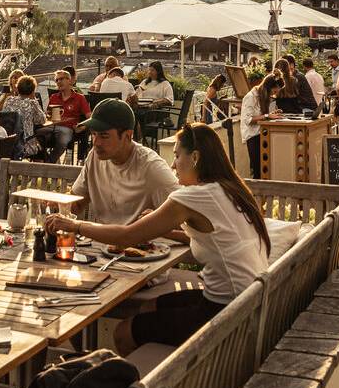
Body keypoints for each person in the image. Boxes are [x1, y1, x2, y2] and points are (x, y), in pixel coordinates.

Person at [44, 123, 268, 355]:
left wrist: (75, 226)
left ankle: (140, 376)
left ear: (195, 158)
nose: (173, 164)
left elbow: (127, 236)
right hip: (246, 298)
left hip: (229, 311)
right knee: (147, 307)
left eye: (177, 156)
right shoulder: (226, 188)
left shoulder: (194, 196)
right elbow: (207, 238)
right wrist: (163, 230)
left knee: (123, 332)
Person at [65, 98, 178, 225]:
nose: (96, 143)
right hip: (100, 236)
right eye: (94, 134)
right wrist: (55, 202)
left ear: (127, 136)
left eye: (104, 136)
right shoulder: (94, 157)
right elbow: (76, 204)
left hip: (136, 238)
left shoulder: (151, 167)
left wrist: (155, 222)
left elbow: (185, 219)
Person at [239, 74, 283, 177]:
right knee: (258, 170)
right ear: (269, 87)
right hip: (253, 136)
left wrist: (272, 113)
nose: (274, 94)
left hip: (262, 134)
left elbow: (261, 115)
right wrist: (267, 116)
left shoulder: (262, 96)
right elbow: (248, 120)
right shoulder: (250, 97)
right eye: (274, 91)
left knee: (265, 169)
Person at [43, 69, 90, 162]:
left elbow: (90, 117)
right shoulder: (54, 97)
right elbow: (48, 116)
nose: (58, 82)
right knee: (36, 136)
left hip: (67, 128)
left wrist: (83, 127)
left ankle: (48, 162)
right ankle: (43, 161)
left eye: (61, 79)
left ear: (69, 80)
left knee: (62, 141)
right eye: (56, 80)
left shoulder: (79, 98)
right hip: (52, 127)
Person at [1, 75, 48, 159]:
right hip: (25, 144)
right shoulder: (32, 103)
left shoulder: (8, 100)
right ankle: (39, 165)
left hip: (9, 141)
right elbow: (42, 120)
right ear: (33, 91)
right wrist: (34, 100)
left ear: (18, 88)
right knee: (42, 143)